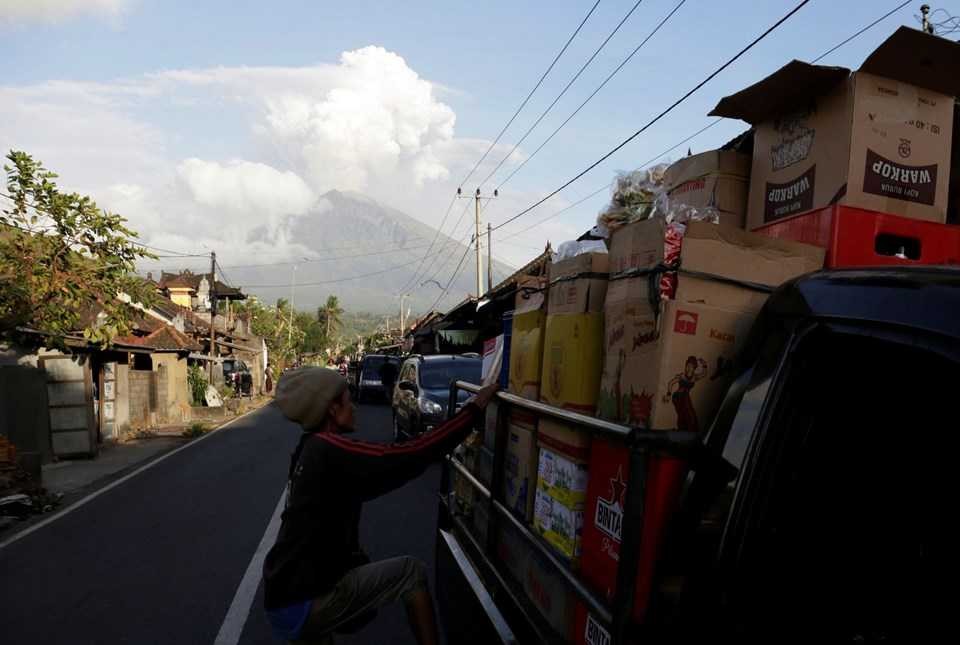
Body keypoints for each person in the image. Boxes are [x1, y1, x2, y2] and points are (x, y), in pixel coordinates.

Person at [264, 367, 497, 644]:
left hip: (282, 596)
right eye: (348, 400)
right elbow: (411, 453)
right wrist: (473, 409)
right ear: (331, 410)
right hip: (305, 597)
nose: (354, 407)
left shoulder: (308, 448)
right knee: (411, 573)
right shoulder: (329, 450)